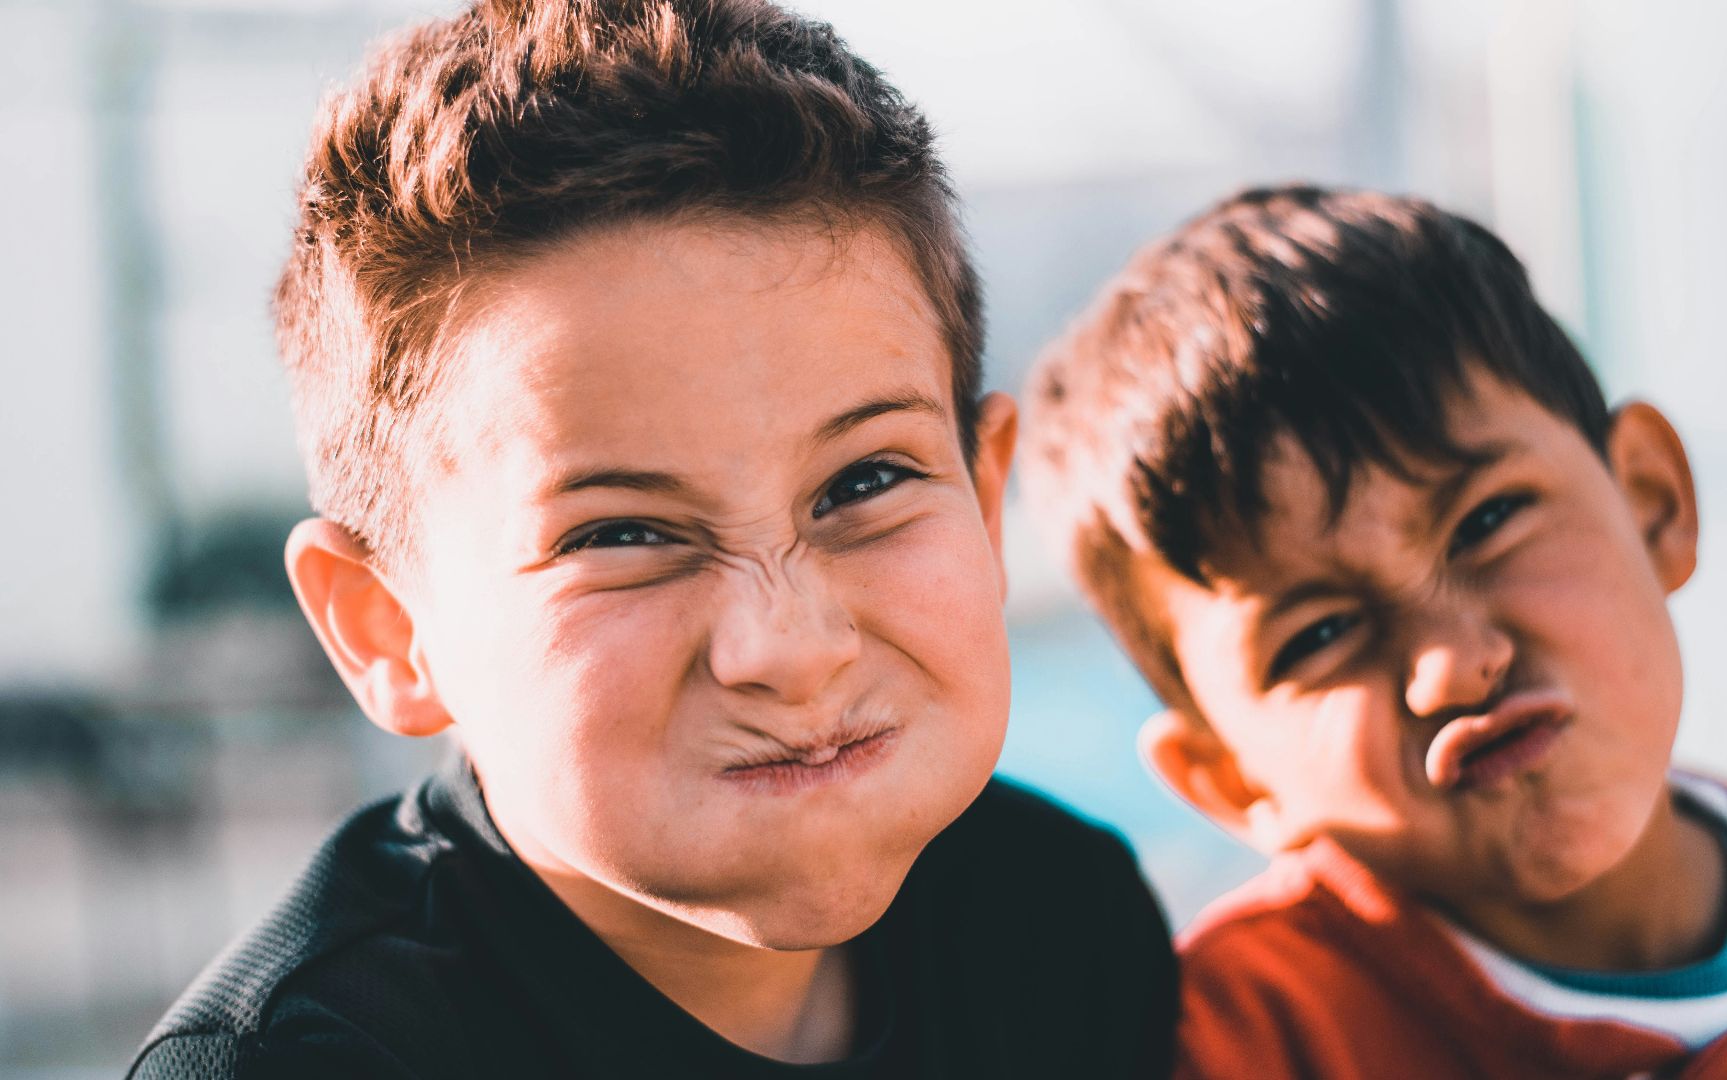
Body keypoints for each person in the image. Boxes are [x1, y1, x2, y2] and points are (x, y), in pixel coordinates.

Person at [127, 2, 1176, 1076]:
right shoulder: (309, 1062)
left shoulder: (1062, 926)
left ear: (985, 498)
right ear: (388, 630)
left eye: (865, 482)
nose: (790, 647)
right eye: (622, 533)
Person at [1019, 183, 1727, 1078]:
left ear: (1652, 502)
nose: (1450, 669)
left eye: (1487, 523)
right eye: (1321, 633)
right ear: (1228, 779)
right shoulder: (1230, 1048)